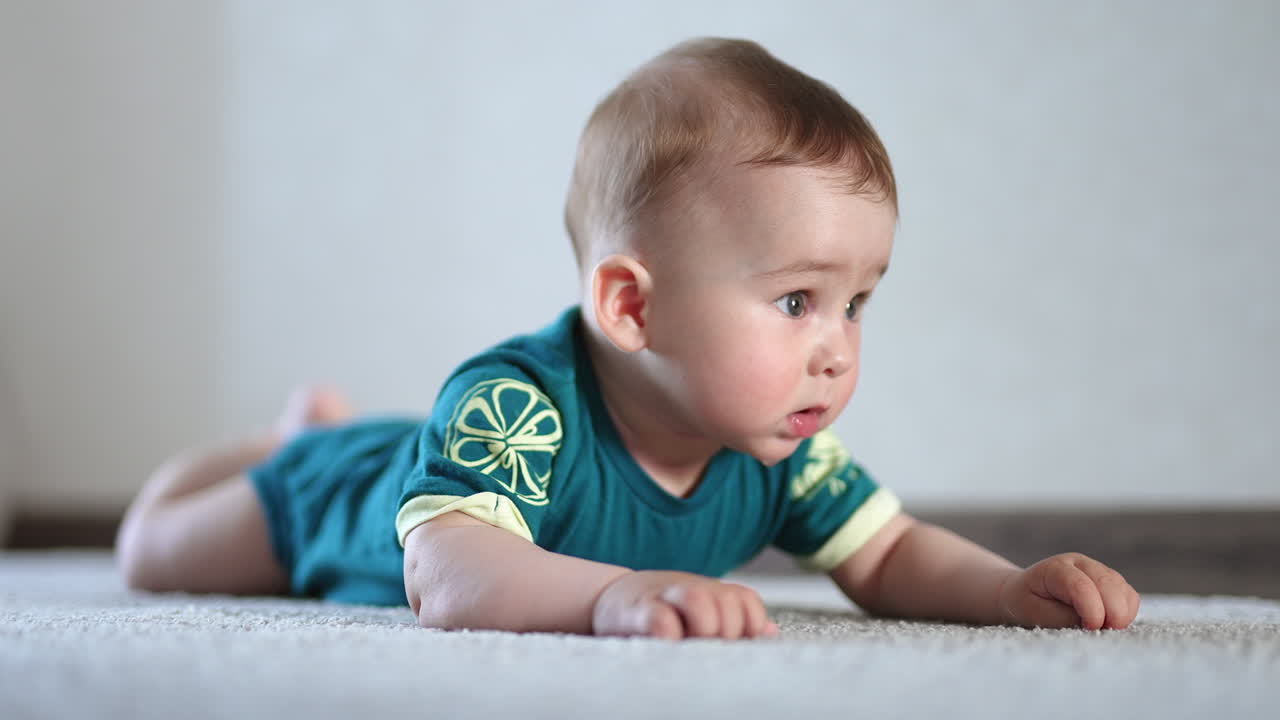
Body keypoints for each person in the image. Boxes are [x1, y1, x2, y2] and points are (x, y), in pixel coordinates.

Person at [116, 37, 1140, 639]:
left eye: (855, 303)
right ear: (630, 307)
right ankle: (290, 438)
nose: (834, 348)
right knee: (149, 552)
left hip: (424, 466)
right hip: (331, 504)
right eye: (795, 302)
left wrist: (1006, 590)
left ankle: (315, 430)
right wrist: (611, 596)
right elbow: (445, 574)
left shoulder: (773, 448)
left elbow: (888, 553)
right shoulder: (514, 405)